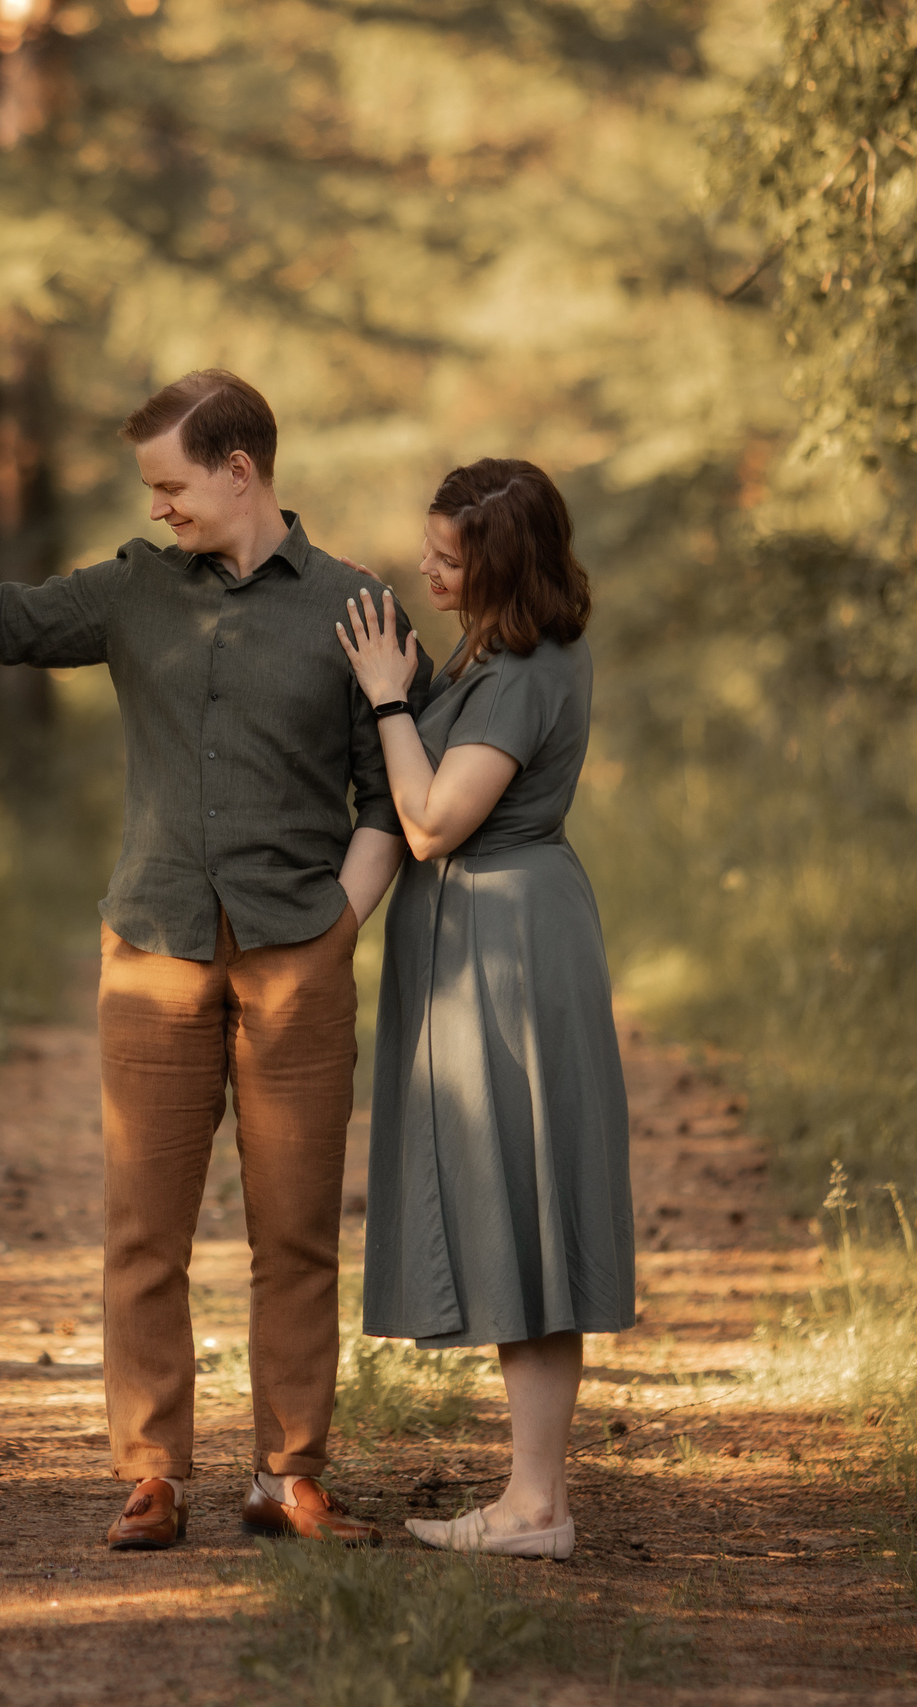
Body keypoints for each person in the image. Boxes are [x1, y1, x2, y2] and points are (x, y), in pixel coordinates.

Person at [0, 370, 430, 1551]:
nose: (159, 506)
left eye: (173, 484)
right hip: (153, 942)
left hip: (292, 954)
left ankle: (289, 1475)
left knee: (297, 1226)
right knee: (141, 1226)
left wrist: (335, 933)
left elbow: (388, 795)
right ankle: (153, 1472)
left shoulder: (358, 607)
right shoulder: (133, 593)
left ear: (240, 470)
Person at [335, 457, 635, 1560]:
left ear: (498, 563)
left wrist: (382, 693)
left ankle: (533, 1506)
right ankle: (535, 1499)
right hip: (500, 934)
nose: (426, 566)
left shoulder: (520, 673)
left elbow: (427, 822)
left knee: (524, 1210)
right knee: (523, 1211)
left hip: (507, 950)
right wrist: (409, 676)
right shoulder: (503, 654)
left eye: (446, 557)